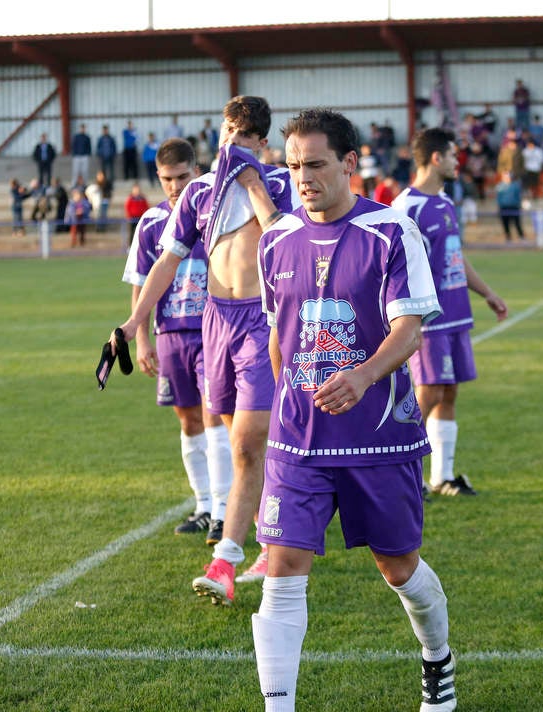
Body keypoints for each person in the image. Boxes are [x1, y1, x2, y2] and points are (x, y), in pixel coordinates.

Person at [253, 107, 457, 712]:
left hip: (380, 437)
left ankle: (437, 661)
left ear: (349, 163)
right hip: (300, 441)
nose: (302, 178)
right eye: (292, 167)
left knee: (399, 569)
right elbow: (276, 336)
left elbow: (410, 329)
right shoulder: (276, 240)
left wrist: (364, 375)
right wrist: (290, 402)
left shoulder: (391, 232)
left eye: (314, 165)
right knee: (283, 565)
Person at [108, 95, 299, 603]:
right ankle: (267, 538)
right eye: (226, 134)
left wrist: (255, 181)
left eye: (242, 137)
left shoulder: (279, 184)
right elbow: (166, 262)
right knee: (239, 442)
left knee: (247, 443)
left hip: (263, 322)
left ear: (261, 143)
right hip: (216, 323)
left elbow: (284, 243)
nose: (230, 145)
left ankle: (225, 560)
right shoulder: (198, 193)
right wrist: (133, 323)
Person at [122, 137, 234, 540]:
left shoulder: (215, 212)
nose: (175, 186)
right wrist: (142, 339)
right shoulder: (151, 222)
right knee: (187, 420)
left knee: (213, 416)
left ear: (197, 172)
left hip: (212, 330)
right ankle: (203, 504)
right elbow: (140, 280)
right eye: (167, 179)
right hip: (170, 333)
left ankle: (224, 510)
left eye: (183, 177)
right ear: (158, 176)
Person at [392, 127, 507, 498]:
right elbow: (396, 270)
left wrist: (487, 293)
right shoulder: (405, 208)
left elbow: (456, 257)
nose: (460, 162)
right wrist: (409, 323)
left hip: (456, 314)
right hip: (430, 319)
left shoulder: (443, 202)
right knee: (427, 392)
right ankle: (404, 474)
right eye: (455, 155)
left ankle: (443, 476)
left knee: (449, 392)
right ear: (436, 158)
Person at [495, 171, 525, 241]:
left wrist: (519, 205)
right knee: (505, 223)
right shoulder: (500, 186)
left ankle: (521, 236)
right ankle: (508, 237)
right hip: (504, 207)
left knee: (517, 222)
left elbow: (518, 197)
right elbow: (498, 197)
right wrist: (499, 206)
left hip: (514, 207)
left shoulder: (515, 185)